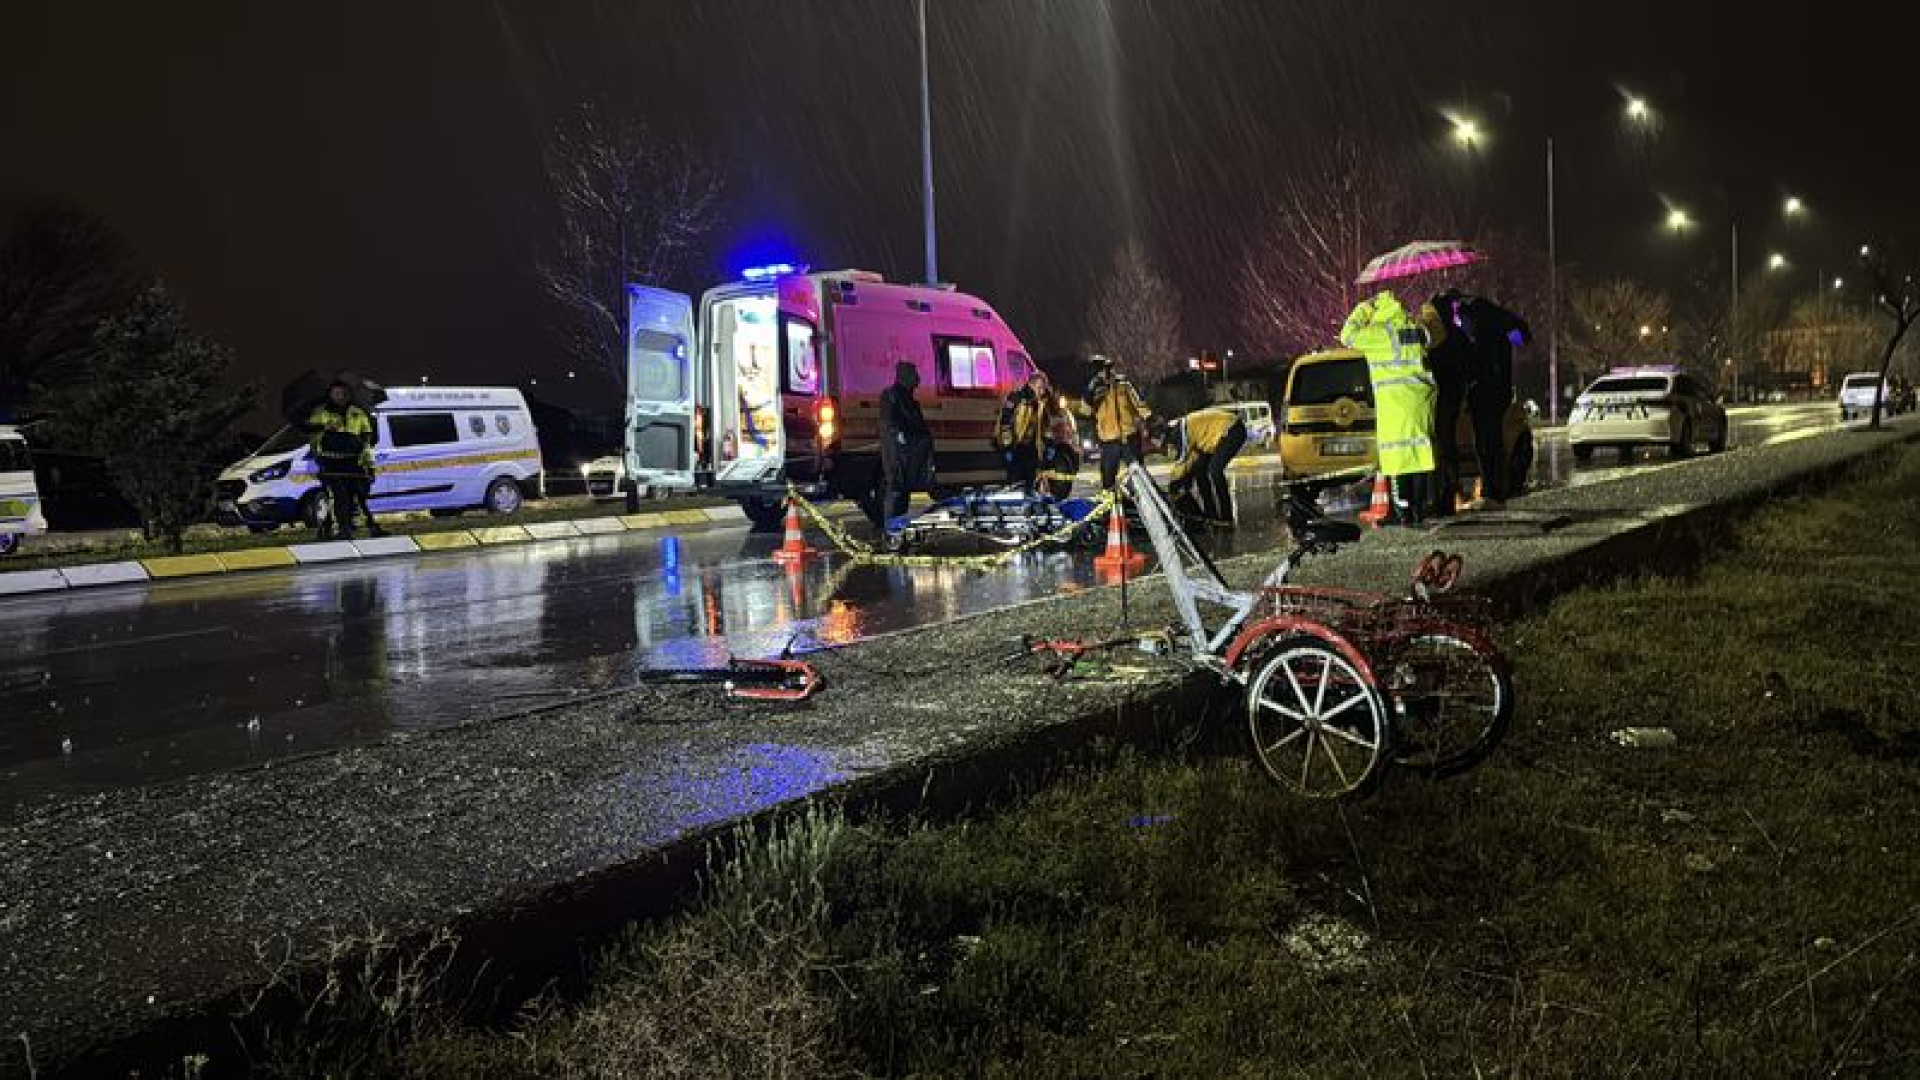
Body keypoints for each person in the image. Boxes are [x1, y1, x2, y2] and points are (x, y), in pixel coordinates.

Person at [1339, 290, 1437, 525]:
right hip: (1421, 401)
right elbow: (1436, 335)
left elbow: (1347, 335)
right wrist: (1428, 311)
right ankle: (1422, 509)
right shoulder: (1414, 327)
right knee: (1420, 456)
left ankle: (1404, 513)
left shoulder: (1379, 334)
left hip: (1395, 405)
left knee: (1398, 459)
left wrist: (1365, 307)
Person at [1452, 294, 1531, 509]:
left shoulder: (1479, 336)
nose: (1461, 324)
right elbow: (1521, 338)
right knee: (1493, 440)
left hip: (1484, 393)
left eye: (1462, 320)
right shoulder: (1501, 325)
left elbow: (1471, 365)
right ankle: (1496, 488)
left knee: (1486, 443)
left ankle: (1492, 488)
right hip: (1499, 392)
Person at [305, 381, 382, 540]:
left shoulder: (357, 412)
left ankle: (367, 527)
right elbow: (309, 432)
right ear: (330, 394)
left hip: (354, 462)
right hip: (330, 462)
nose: (340, 396)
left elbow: (367, 437)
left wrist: (369, 464)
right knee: (338, 496)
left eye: (343, 393)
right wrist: (323, 428)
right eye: (336, 393)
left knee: (360, 496)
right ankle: (340, 529)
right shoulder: (322, 413)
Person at [1163, 405, 1248, 526]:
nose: (1166, 450)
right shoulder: (1187, 430)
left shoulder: (1180, 433)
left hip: (1232, 430)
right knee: (1199, 471)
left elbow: (1181, 461)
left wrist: (1173, 484)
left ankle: (1226, 517)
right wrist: (1183, 482)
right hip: (1214, 438)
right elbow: (1191, 458)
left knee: (1215, 470)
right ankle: (1211, 514)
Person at [876, 361, 933, 530]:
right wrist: (899, 435)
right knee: (895, 489)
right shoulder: (890, 396)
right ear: (904, 376)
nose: (917, 379)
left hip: (910, 454)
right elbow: (888, 423)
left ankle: (898, 528)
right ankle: (890, 530)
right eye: (913, 375)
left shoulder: (911, 401)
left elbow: (920, 428)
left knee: (903, 492)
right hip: (896, 453)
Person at [1082, 355, 1152, 491]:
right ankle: (1111, 509)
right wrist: (1090, 394)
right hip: (1109, 441)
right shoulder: (1093, 389)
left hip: (1130, 438)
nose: (1104, 373)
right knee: (1108, 480)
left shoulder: (1123, 384)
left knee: (1140, 477)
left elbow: (1139, 404)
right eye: (1099, 371)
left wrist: (1149, 417)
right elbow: (1085, 412)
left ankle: (1141, 505)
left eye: (1106, 369)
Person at [995, 371, 1047, 490]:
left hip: (1030, 451)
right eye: (1040, 388)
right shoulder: (1016, 398)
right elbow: (1005, 424)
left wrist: (1044, 448)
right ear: (1032, 384)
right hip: (1016, 449)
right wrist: (1008, 448)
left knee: (1031, 486)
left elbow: (1040, 429)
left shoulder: (1038, 403)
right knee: (1016, 486)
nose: (1042, 392)